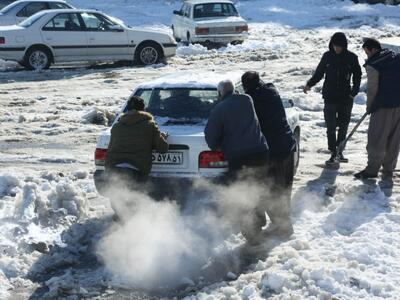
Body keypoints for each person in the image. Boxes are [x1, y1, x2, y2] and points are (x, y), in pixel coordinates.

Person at [204, 80, 269, 244]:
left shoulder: (219, 109)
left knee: (243, 193)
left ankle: (253, 235)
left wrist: (218, 144)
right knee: (258, 186)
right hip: (260, 152)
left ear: (220, 93)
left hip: (239, 156)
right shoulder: (247, 100)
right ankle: (259, 221)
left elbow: (211, 138)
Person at [241, 71, 296, 238]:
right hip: (287, 145)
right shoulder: (271, 91)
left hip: (273, 150)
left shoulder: (253, 101)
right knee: (284, 187)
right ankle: (284, 225)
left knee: (273, 188)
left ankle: (284, 227)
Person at [303, 32, 362, 165]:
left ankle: (340, 151)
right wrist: (309, 84)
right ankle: (333, 151)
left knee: (343, 125)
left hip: (346, 97)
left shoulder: (351, 57)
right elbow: (319, 73)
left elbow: (357, 75)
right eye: (335, 45)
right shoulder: (327, 56)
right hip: (329, 96)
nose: (337, 48)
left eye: (339, 46)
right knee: (330, 126)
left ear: (344, 46)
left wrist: (354, 91)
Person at [354, 38, 400, 179]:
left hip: (383, 106)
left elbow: (373, 88)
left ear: (373, 50)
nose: (367, 55)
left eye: (367, 52)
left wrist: (369, 108)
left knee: (377, 138)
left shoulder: (374, 64)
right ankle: (388, 170)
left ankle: (372, 170)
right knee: (394, 139)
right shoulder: (395, 56)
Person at [105, 96, 168, 184]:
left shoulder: (117, 126)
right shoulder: (149, 125)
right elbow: (162, 149)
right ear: (143, 109)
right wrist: (162, 138)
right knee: (136, 197)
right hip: (136, 171)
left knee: (118, 196)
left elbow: (110, 149)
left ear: (128, 109)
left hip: (114, 170)